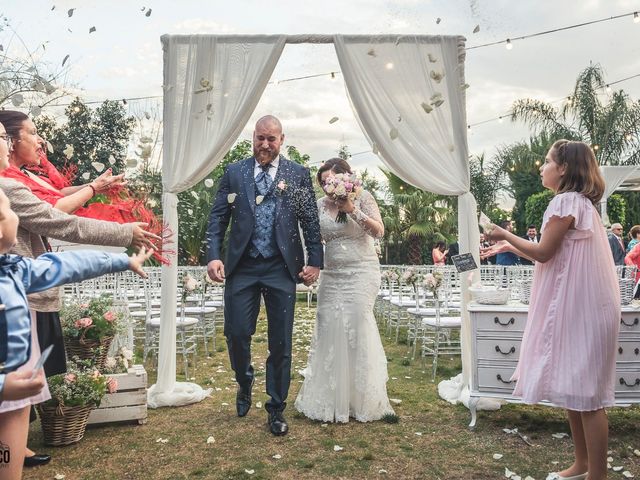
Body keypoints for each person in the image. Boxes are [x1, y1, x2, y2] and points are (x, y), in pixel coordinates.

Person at [0, 119, 159, 467]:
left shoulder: (20, 263)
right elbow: (59, 221)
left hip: (28, 298)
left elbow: (63, 264)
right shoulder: (8, 190)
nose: (9, 145)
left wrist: (118, 262)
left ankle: (15, 451)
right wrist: (122, 235)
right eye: (4, 138)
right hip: (19, 307)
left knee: (17, 398)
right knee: (14, 396)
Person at [481, 140, 619, 480]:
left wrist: (504, 233)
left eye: (546, 161)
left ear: (564, 169)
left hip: (582, 307)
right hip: (582, 303)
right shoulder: (580, 203)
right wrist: (507, 244)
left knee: (589, 393)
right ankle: (582, 465)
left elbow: (543, 253)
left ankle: (597, 475)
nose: (541, 168)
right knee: (576, 385)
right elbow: (554, 254)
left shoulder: (566, 201)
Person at [206, 115, 323, 436]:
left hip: (281, 268)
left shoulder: (297, 175)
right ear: (253, 138)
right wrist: (214, 255)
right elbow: (217, 219)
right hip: (241, 267)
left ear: (282, 139)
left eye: (271, 139)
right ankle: (244, 382)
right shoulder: (234, 173)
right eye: (260, 138)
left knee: (281, 342)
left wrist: (315, 261)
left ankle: (276, 407)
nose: (265, 145)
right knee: (237, 333)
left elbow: (310, 221)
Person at [295, 158, 394, 423]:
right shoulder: (318, 206)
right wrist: (308, 266)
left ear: (345, 178)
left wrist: (352, 209)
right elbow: (313, 240)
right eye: (323, 182)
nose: (327, 187)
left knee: (358, 327)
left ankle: (361, 399)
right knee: (328, 325)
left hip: (361, 272)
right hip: (332, 275)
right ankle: (330, 398)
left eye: (331, 181)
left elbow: (380, 231)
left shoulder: (364, 198)